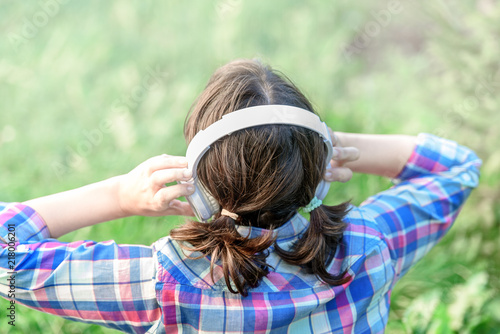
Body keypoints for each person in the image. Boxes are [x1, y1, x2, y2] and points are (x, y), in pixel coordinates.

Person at [0, 59, 481, 333]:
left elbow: (7, 257)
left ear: (202, 182)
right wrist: (334, 145)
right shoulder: (372, 246)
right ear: (316, 176)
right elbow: (457, 167)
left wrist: (120, 195)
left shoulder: (162, 284)